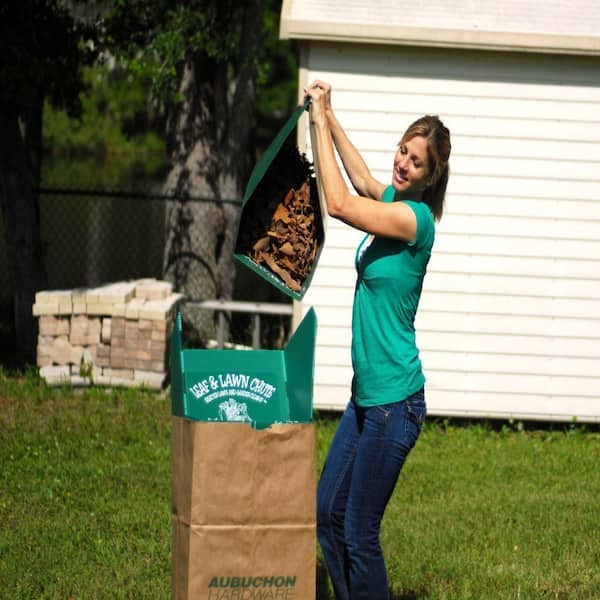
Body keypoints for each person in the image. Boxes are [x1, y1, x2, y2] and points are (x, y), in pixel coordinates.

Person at [304, 80, 451, 599]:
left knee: (359, 532)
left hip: (395, 402)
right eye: (403, 149)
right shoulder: (393, 200)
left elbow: (342, 203)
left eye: (416, 161)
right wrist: (330, 114)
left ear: (430, 176)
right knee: (327, 515)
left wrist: (317, 124)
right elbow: (364, 180)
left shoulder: (414, 220)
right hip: (365, 399)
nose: (403, 163)